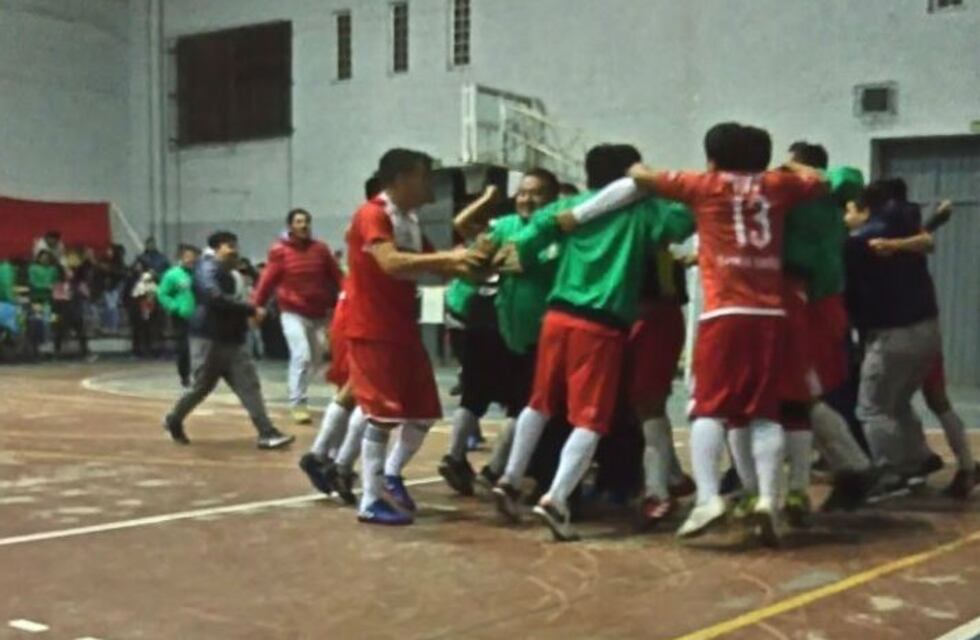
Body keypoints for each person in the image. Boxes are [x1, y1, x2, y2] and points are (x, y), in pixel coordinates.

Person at [571, 124, 826, 546]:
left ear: (712, 159)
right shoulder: (778, 186)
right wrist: (785, 167)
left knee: (707, 409)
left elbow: (640, 176)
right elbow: (819, 179)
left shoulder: (703, 185)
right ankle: (768, 497)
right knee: (765, 412)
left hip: (725, 313)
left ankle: (708, 499)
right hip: (770, 314)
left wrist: (637, 166)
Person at [490, 144, 696, 542]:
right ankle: (556, 499)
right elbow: (685, 217)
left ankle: (511, 479)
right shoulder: (643, 211)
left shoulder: (570, 207)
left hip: (555, 317)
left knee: (540, 402)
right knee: (591, 419)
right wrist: (652, 181)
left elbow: (526, 241)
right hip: (600, 323)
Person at [343, 148, 479, 525]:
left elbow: (442, 268)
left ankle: (390, 475)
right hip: (373, 329)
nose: (430, 183)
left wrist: (485, 261)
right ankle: (370, 499)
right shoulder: (372, 213)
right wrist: (450, 259)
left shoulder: (409, 221)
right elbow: (390, 262)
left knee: (423, 413)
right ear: (402, 179)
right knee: (381, 415)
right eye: (424, 176)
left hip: (402, 328)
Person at [439, 171, 562, 496]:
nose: (526, 199)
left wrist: (497, 259)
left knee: (517, 403)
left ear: (553, 199)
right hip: (498, 327)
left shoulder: (559, 234)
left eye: (535, 193)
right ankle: (492, 470)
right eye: (522, 193)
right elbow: (471, 241)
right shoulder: (505, 225)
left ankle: (495, 469)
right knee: (497, 399)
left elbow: (512, 260)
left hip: (537, 335)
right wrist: (486, 205)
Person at [844, 181, 944, 491]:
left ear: (865, 210)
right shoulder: (907, 229)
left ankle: (890, 472)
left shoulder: (861, 241)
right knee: (898, 402)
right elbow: (927, 240)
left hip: (892, 333)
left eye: (849, 210)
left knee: (872, 407)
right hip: (928, 329)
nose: (845, 218)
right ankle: (918, 457)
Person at [162, 231, 294, 450]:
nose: (235, 251)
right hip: (208, 338)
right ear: (216, 249)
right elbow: (214, 298)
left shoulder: (230, 272)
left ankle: (266, 432)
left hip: (233, 339)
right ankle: (174, 418)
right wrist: (249, 309)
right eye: (229, 246)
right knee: (200, 386)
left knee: (249, 385)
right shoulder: (206, 269)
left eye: (235, 246)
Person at [252, 209, 345, 425]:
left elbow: (337, 276)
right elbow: (267, 281)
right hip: (292, 312)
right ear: (290, 226)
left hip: (319, 313)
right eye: (299, 222)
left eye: (307, 222)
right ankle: (298, 402)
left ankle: (298, 386)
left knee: (316, 360)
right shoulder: (279, 251)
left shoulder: (321, 249)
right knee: (301, 356)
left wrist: (347, 295)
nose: (304, 226)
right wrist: (256, 306)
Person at [157, 245, 199, 388]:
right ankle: (185, 376)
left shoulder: (199, 274)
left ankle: (201, 375)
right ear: (181, 258)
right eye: (188, 256)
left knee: (202, 346)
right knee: (184, 347)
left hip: (200, 316)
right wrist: (174, 306)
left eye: (193, 257)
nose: (191, 259)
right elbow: (162, 294)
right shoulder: (172, 275)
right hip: (182, 316)